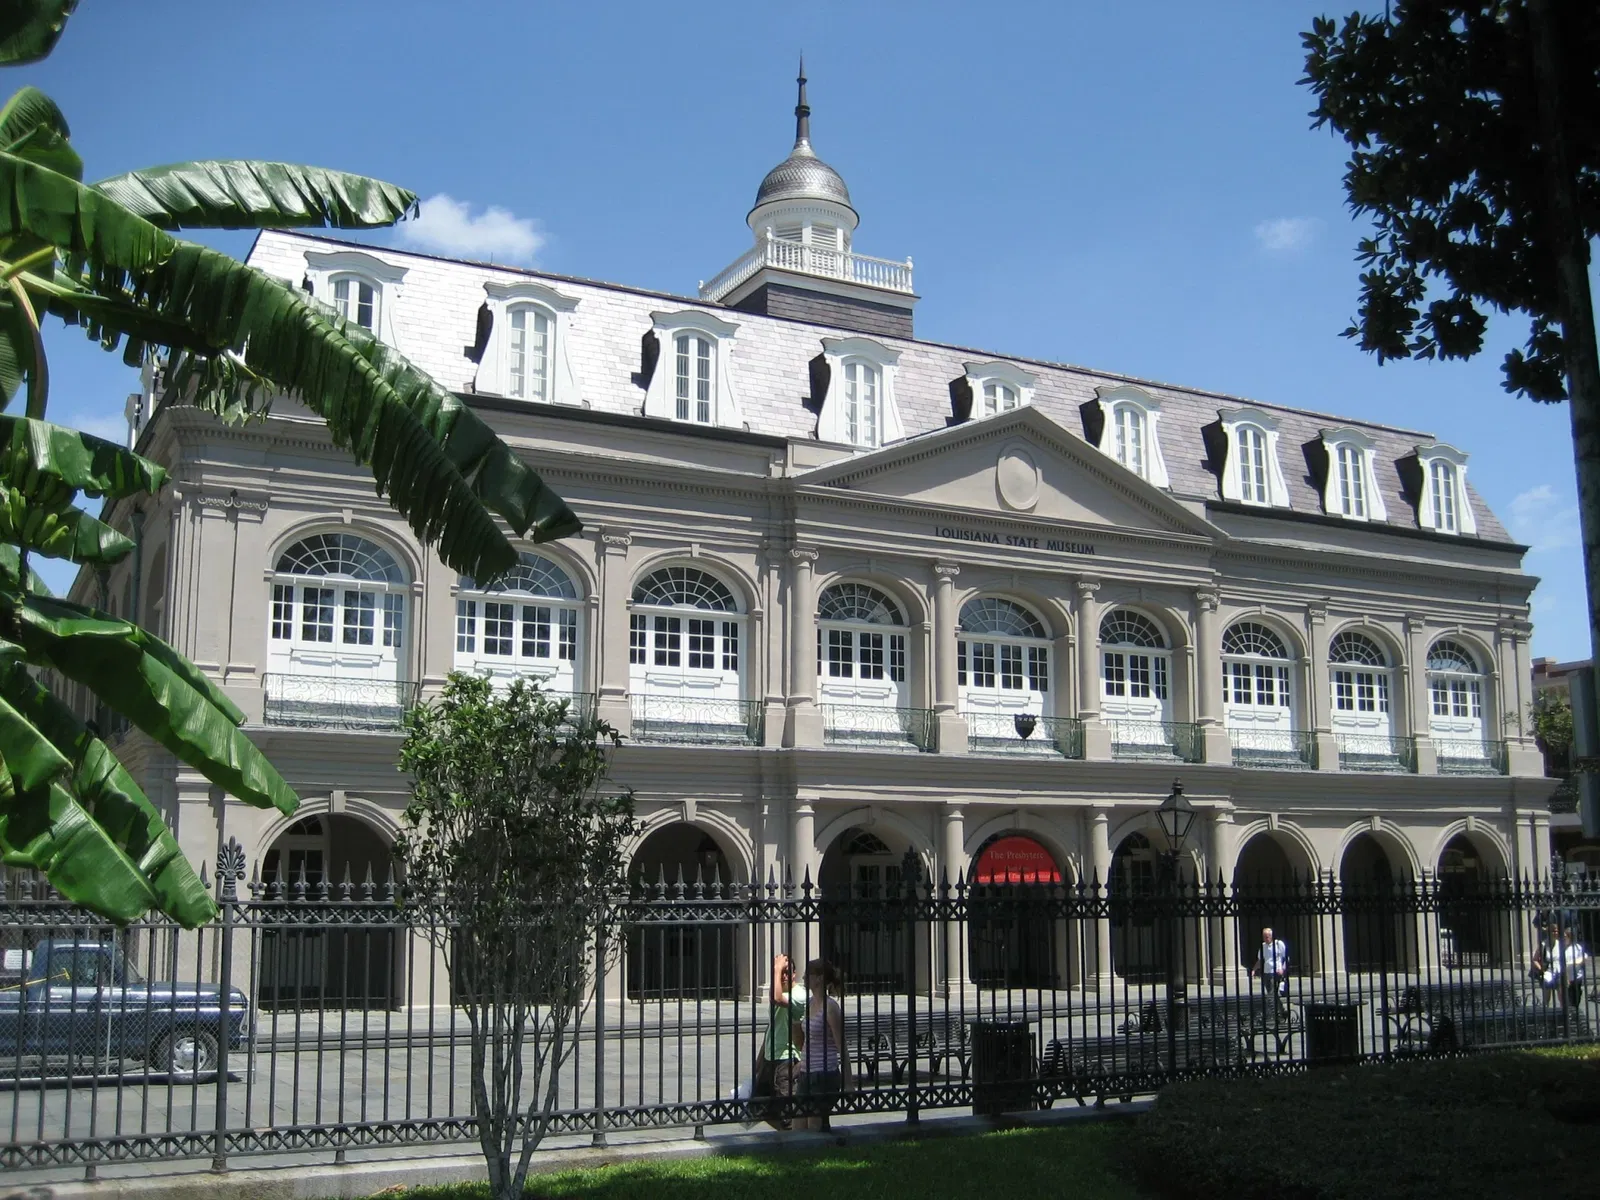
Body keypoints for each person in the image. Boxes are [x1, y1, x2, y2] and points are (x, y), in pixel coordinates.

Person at [751, 953, 806, 1130]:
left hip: (786, 1059)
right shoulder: (780, 991)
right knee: (758, 1109)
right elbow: (772, 1027)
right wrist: (760, 1060)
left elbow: (776, 998)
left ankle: (791, 1137)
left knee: (786, 1112)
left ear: (795, 974)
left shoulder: (799, 995)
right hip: (771, 1056)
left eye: (787, 972)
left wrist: (776, 969)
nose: (783, 976)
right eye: (781, 972)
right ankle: (785, 1135)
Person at [794, 958, 849, 1132]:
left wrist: (848, 1082)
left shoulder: (830, 1008)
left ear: (819, 978)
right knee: (798, 1125)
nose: (804, 978)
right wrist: (801, 1062)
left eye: (808, 974)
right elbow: (809, 1040)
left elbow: (842, 1046)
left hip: (824, 1074)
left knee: (814, 1126)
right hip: (806, 1073)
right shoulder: (810, 1003)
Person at [1250, 927, 1289, 1020]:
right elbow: (1260, 960)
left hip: (1276, 972)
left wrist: (1283, 969)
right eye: (1264, 937)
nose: (1266, 938)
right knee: (1273, 994)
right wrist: (1254, 969)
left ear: (1271, 936)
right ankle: (1282, 1011)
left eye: (1267, 936)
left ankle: (1273, 1015)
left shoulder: (1278, 944)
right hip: (1266, 972)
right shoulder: (1263, 946)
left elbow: (1286, 958)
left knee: (1270, 995)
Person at [1560, 927, 1588, 1012]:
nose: (1564, 938)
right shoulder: (1561, 948)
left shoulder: (1577, 947)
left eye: (1566, 936)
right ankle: (1568, 1013)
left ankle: (1575, 1012)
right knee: (1567, 998)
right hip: (1566, 977)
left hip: (1576, 976)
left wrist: (1576, 961)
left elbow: (1584, 956)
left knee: (1576, 996)